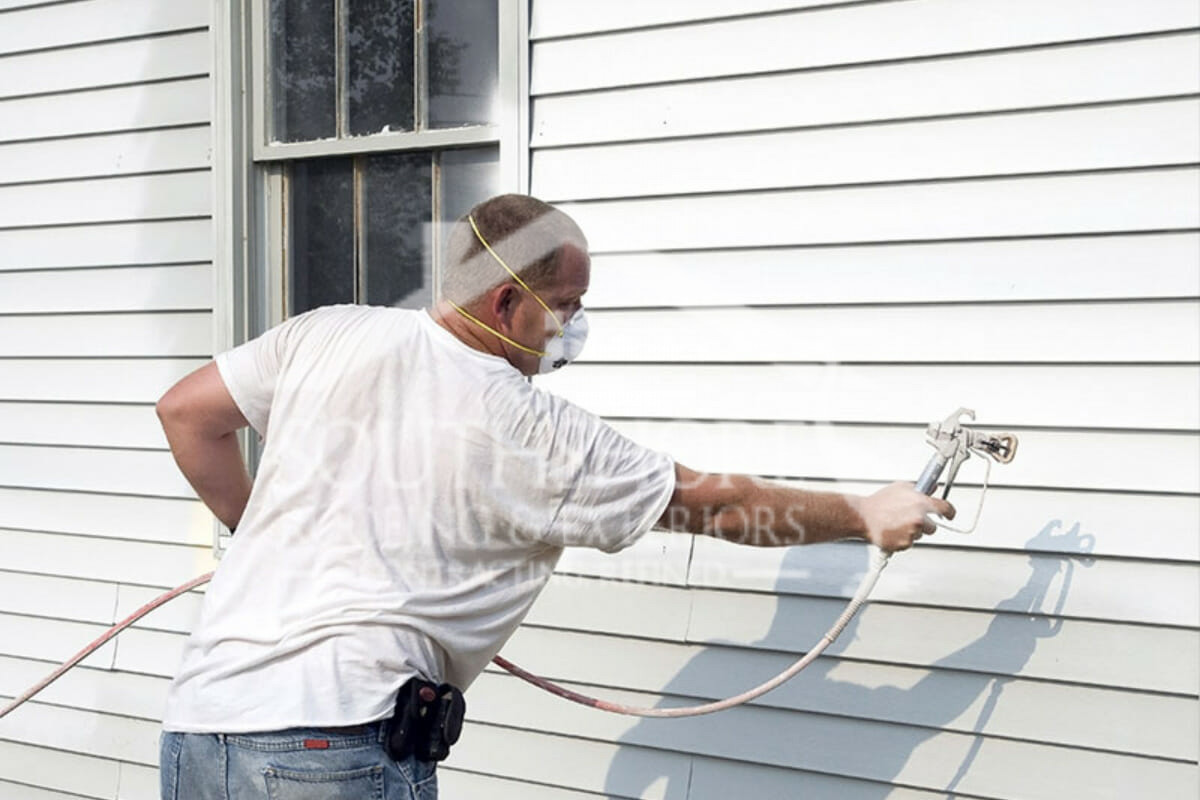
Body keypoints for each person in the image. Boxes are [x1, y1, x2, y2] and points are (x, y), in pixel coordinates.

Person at [155, 193, 953, 799]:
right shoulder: (530, 428)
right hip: (330, 745)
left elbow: (187, 413)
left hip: (200, 730)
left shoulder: (328, 333)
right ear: (506, 303)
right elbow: (718, 506)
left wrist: (258, 531)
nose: (571, 328)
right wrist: (863, 515)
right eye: (566, 307)